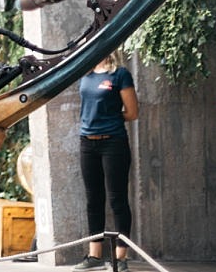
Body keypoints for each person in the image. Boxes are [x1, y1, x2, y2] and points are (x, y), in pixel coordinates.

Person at [72, 52, 138, 272]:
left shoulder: (120, 74)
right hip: (87, 143)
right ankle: (95, 256)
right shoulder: (86, 73)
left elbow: (133, 112)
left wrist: (109, 120)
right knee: (93, 200)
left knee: (117, 200)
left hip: (113, 143)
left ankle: (120, 258)